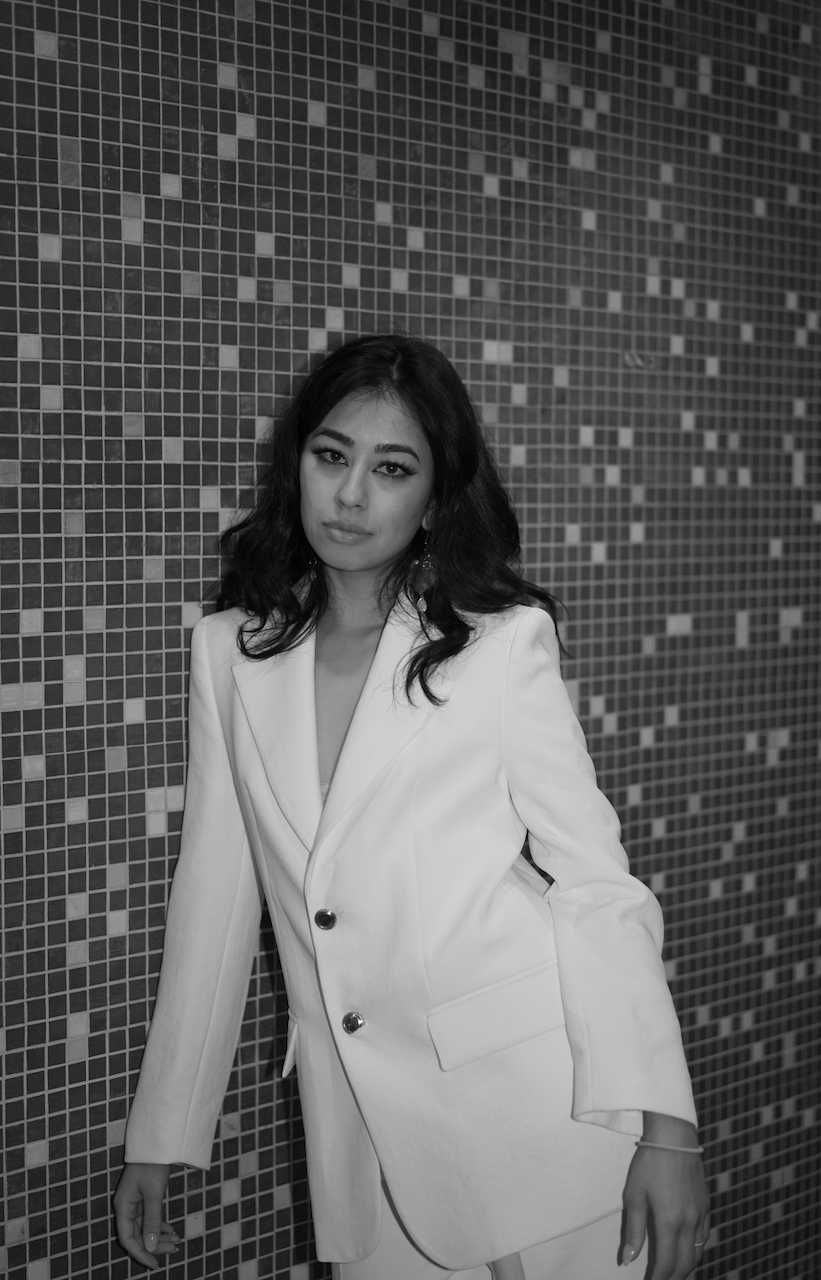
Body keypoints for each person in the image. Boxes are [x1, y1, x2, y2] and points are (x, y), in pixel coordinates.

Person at [113, 335, 709, 1280]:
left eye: (390, 469)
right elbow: (215, 902)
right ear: (296, 462)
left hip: (543, 1119)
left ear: (433, 497)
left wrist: (667, 1130)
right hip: (364, 1147)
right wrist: (165, 1129)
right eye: (330, 456)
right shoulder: (231, 652)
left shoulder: (500, 646)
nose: (350, 496)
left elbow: (598, 887)